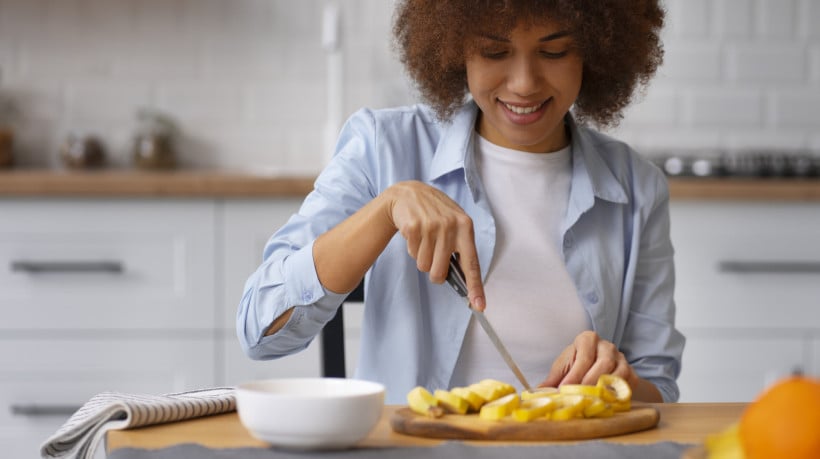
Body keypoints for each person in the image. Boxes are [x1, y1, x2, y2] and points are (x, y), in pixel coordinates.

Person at [236, 0, 685, 405]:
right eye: (494, 52)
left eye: (554, 52)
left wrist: (616, 378)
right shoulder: (384, 148)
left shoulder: (635, 188)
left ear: (595, 51)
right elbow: (260, 331)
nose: (525, 83)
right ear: (454, 50)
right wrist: (386, 208)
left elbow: (657, 390)